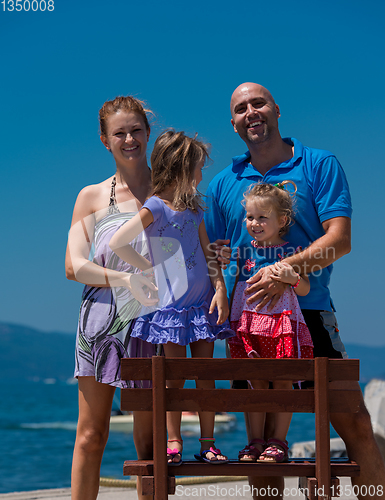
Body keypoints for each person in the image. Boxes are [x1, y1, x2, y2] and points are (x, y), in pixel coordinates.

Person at [205, 82, 385, 498]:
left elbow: (340, 239)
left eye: (258, 103)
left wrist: (285, 269)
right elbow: (215, 252)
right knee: (263, 440)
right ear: (233, 124)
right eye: (240, 108)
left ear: (276, 109)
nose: (251, 112)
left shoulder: (319, 164)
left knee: (354, 422)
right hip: (249, 324)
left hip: (311, 312)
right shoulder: (222, 184)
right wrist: (217, 290)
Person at [109, 130, 234, 465]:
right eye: (197, 167)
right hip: (171, 312)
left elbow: (209, 253)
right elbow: (119, 242)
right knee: (175, 379)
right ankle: (175, 442)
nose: (201, 174)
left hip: (203, 307)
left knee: (206, 377)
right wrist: (144, 268)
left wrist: (220, 289)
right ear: (180, 168)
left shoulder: (196, 210)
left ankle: (208, 444)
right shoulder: (156, 207)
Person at [65, 95, 158, 500]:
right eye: (119, 133)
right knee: (91, 435)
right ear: (105, 140)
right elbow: (73, 266)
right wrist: (126, 279)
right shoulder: (91, 196)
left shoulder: (173, 190)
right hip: (100, 325)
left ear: (148, 132)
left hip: (155, 324)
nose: (130, 139)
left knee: (151, 444)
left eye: (136, 130)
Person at [229, 181, 314, 464]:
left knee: (282, 381)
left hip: (281, 326)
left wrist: (292, 279)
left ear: (282, 221)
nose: (254, 223)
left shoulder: (290, 253)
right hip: (248, 327)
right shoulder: (242, 250)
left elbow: (304, 290)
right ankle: (254, 441)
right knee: (254, 383)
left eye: (262, 217)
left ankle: (278, 441)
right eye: (250, 217)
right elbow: (231, 285)